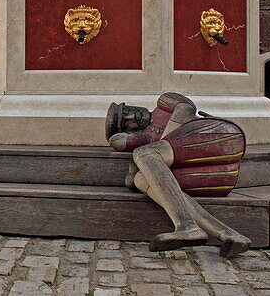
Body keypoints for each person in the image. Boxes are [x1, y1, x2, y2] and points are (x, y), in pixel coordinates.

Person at [107, 92, 250, 257]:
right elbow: (120, 144)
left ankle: (186, 225)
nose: (133, 117)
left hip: (219, 134)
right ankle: (228, 234)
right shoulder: (147, 138)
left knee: (144, 153)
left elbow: (185, 108)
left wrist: (161, 143)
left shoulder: (163, 103)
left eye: (127, 111)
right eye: (127, 122)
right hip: (213, 170)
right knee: (141, 179)